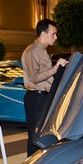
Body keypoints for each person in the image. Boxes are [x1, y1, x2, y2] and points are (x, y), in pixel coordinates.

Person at [22, 18, 68, 156]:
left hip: (43, 97)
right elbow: (35, 78)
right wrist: (55, 68)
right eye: (53, 34)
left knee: (42, 136)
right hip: (36, 98)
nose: (56, 37)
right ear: (43, 33)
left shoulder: (42, 51)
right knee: (35, 137)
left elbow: (47, 77)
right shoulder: (32, 51)